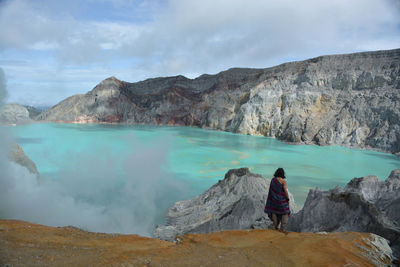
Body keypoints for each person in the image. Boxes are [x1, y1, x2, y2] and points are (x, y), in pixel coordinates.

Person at [264, 168, 290, 232]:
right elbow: (285, 191)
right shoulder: (283, 181)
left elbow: (271, 191)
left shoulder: (273, 180)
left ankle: (274, 226)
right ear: (283, 174)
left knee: (274, 212)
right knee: (285, 211)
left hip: (273, 200)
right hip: (281, 201)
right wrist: (287, 199)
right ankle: (282, 228)